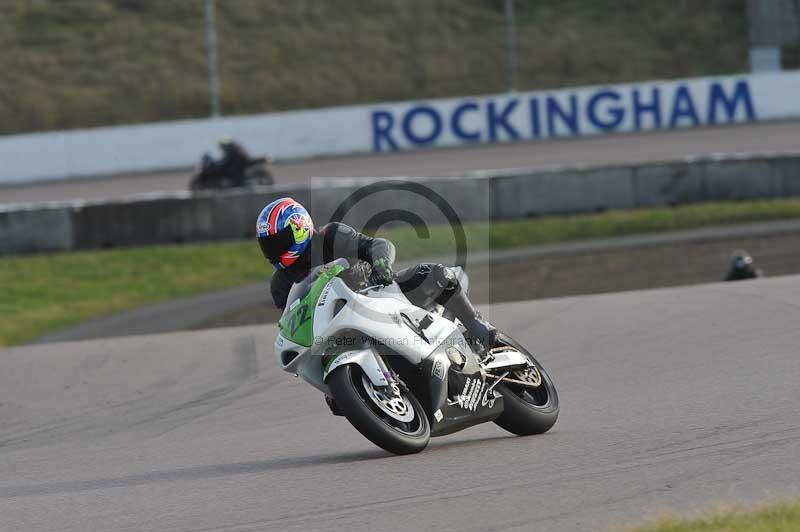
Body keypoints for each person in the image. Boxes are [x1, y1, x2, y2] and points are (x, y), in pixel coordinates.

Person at [256, 197, 497, 351]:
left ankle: (476, 325)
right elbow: (294, 325)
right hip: (340, 329)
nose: (274, 250)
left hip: (381, 293)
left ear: (300, 228)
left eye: (280, 241)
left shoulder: (331, 236)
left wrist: (381, 262)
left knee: (434, 274)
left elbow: (378, 244)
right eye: (269, 245)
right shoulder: (281, 285)